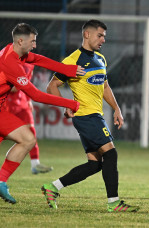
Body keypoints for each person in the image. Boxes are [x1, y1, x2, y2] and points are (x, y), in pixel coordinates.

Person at [42, 19, 139, 213]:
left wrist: (117, 108)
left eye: (104, 36)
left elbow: (104, 85)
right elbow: (52, 85)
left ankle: (52, 188)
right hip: (85, 115)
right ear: (87, 34)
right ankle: (113, 202)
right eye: (100, 35)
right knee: (111, 154)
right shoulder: (72, 60)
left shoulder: (101, 59)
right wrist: (66, 104)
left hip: (96, 115)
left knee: (95, 165)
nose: (103, 39)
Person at [0, 23, 85, 204]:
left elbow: (39, 59)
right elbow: (36, 95)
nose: (35, 45)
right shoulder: (10, 62)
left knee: (28, 139)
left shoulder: (13, 51)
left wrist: (67, 70)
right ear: (21, 40)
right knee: (27, 138)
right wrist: (71, 103)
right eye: (33, 41)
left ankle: (1, 181)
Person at [5, 63, 53, 174]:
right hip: (7, 104)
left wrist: (28, 99)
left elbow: (27, 83)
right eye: (32, 43)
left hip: (23, 104)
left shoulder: (30, 64)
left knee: (31, 134)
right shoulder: (9, 59)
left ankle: (35, 164)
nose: (34, 45)